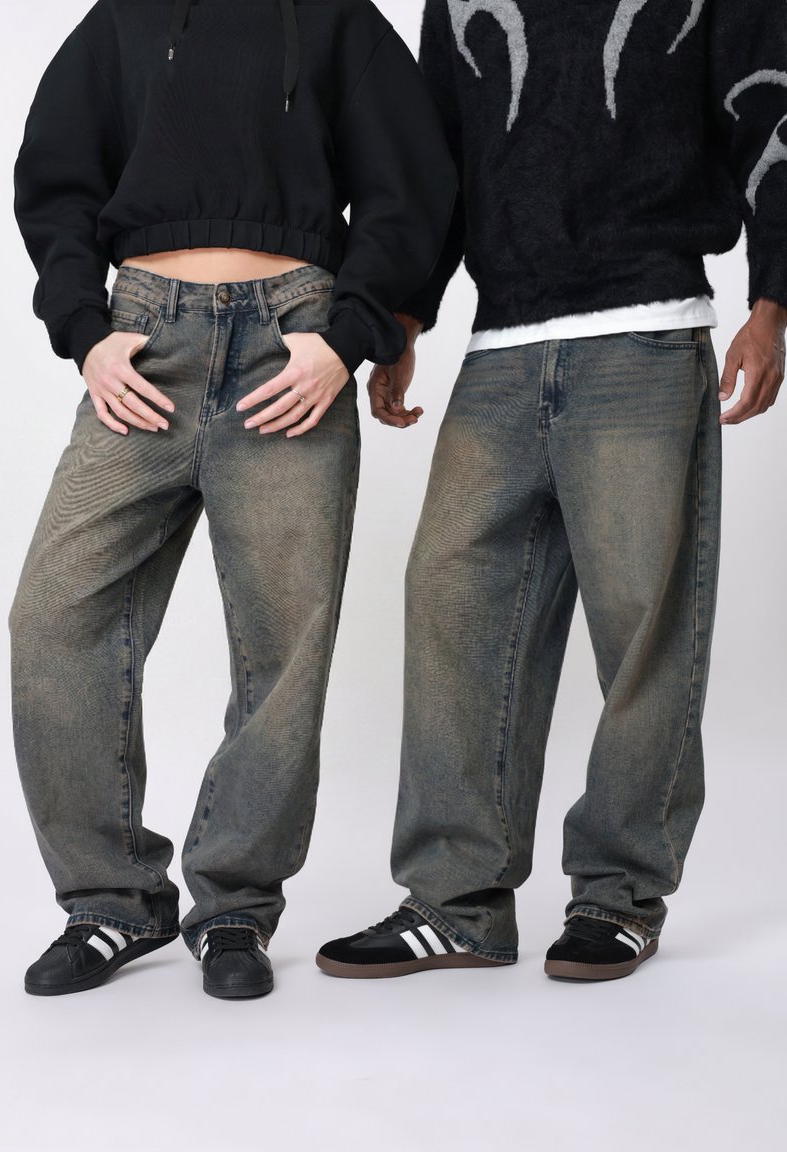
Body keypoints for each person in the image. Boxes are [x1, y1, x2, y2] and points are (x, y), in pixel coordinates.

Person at [316, 0, 787, 982]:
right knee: (450, 604)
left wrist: (771, 301)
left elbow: (769, 109)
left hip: (644, 331)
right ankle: (456, 903)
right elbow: (438, 158)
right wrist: (404, 319)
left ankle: (618, 896)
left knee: (644, 628)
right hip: (500, 347)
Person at [11, 0, 456, 999]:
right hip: (144, 348)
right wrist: (84, 331)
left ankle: (235, 908)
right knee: (53, 619)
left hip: (291, 348)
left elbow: (412, 179)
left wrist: (349, 337)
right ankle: (111, 903)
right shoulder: (125, 17)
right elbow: (55, 176)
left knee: (282, 648)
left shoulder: (336, 18)